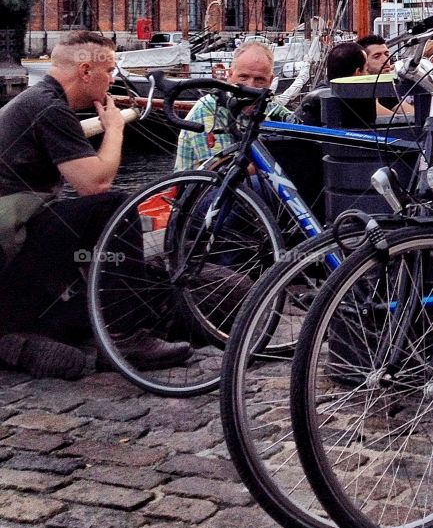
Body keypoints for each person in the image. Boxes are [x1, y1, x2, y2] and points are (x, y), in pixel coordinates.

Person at [0, 30, 190, 378]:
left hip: (14, 242)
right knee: (112, 206)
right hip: (11, 246)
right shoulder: (49, 109)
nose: (113, 79)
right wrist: (114, 129)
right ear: (86, 71)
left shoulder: (36, 100)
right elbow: (95, 184)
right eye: (110, 71)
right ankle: (127, 337)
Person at [175, 42, 294, 170]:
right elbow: (223, 170)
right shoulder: (209, 109)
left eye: (260, 79)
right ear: (230, 75)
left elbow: (297, 124)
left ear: (270, 81)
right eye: (243, 77)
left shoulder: (271, 108)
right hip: (206, 187)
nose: (251, 85)